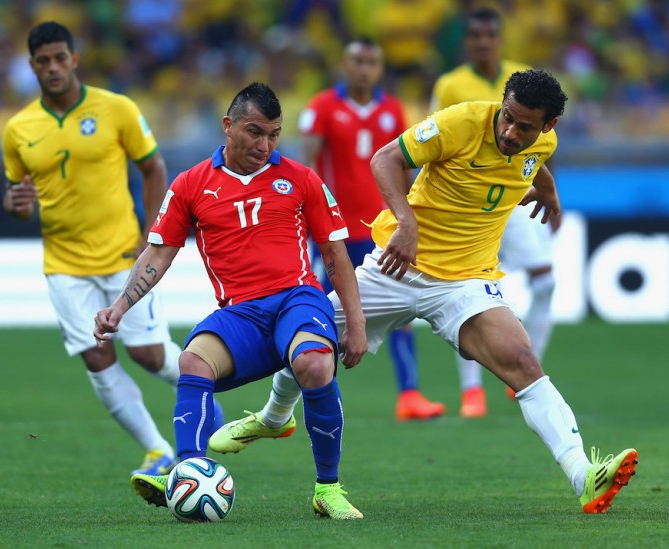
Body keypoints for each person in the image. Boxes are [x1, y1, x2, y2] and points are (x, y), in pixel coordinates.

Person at [211, 70, 638, 514]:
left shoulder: (542, 143)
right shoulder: (460, 122)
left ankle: (583, 476)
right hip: (397, 267)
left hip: (465, 282)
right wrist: (406, 222)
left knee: (524, 363)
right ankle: (274, 417)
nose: (511, 132)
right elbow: (384, 159)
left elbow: (534, 163)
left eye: (525, 127)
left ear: (547, 126)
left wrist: (549, 193)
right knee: (310, 338)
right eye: (508, 118)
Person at [93, 82, 369, 520]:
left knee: (315, 365)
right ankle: (187, 471)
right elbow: (159, 253)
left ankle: (328, 489)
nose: (265, 145)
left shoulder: (301, 179)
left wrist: (356, 325)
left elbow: (335, 256)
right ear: (228, 125)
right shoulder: (191, 184)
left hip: (297, 299)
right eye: (255, 132)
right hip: (241, 314)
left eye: (274, 135)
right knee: (192, 362)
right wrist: (119, 307)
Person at [1, 21, 190, 477]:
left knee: (148, 353)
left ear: (74, 59)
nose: (52, 68)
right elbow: (17, 198)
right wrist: (15, 204)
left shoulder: (116, 108)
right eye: (43, 61)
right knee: (96, 356)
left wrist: (153, 232)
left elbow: (153, 166)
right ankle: (158, 451)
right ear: (32, 67)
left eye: (59, 58)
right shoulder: (18, 129)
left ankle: (200, 391)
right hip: (63, 264)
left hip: (124, 254)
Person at [299, 37, 444, 421]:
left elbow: (405, 165)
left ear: (380, 68)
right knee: (323, 311)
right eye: (358, 61)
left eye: (371, 62)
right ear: (344, 65)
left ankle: (409, 394)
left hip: (381, 229)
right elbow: (307, 164)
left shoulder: (392, 110)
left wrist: (410, 216)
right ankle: (313, 392)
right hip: (333, 232)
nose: (364, 69)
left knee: (401, 306)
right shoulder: (321, 107)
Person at [428, 7, 558, 417]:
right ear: (467, 42)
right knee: (463, 290)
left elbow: (538, 149)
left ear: (500, 39)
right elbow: (430, 139)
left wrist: (549, 192)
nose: (483, 42)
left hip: (512, 198)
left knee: (545, 280)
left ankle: (524, 369)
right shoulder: (450, 85)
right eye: (475, 36)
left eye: (490, 35)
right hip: (463, 204)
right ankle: (472, 392)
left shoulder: (522, 80)